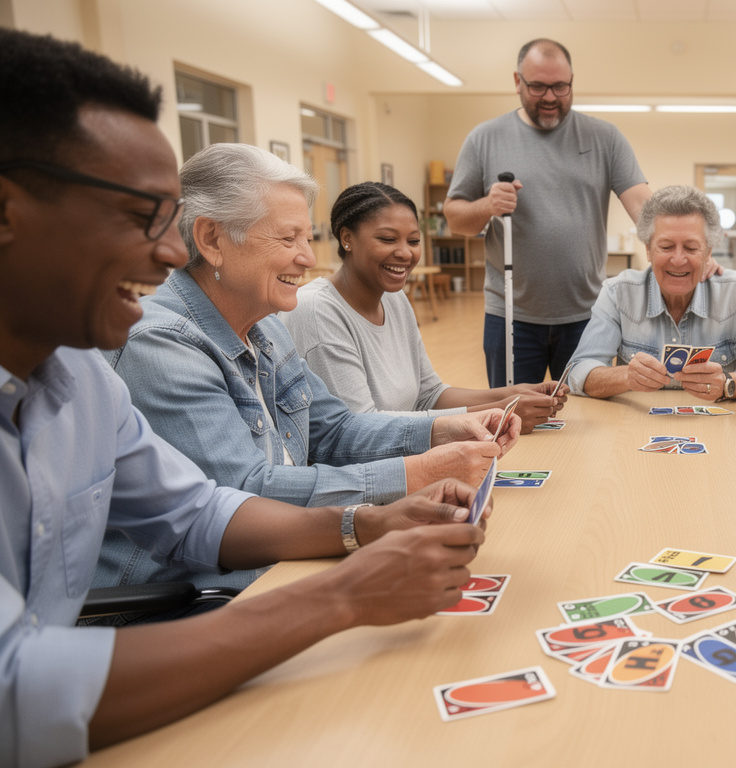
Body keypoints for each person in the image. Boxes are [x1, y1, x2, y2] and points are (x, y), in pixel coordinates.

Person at [0, 29, 493, 766]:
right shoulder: (151, 341)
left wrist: (364, 524)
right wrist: (342, 595)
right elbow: (16, 691)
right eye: (140, 218)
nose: (169, 254)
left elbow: (197, 510)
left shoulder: (82, 378)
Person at [96, 143, 520, 603]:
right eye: (287, 239)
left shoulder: (266, 327)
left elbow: (333, 430)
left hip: (283, 564)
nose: (307, 258)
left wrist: (441, 430)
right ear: (212, 240)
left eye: (307, 237)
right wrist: (414, 473)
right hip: (197, 599)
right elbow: (247, 496)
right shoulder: (160, 345)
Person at [443, 38, 652, 388]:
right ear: (517, 81)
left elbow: (643, 205)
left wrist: (688, 248)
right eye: (538, 86)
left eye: (560, 87)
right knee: (513, 413)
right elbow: (454, 218)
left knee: (590, 414)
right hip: (511, 315)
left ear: (572, 81)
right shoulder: (485, 138)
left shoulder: (604, 137)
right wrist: (487, 205)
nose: (551, 97)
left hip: (589, 314)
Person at [282, 181, 566, 433]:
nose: (406, 253)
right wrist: (495, 413)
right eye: (387, 239)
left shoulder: (393, 298)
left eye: (414, 241)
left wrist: (511, 395)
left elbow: (429, 394)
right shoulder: (317, 311)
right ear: (347, 238)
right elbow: (360, 430)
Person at [567, 185, 736, 401]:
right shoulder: (617, 294)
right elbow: (578, 371)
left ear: (708, 252)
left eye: (691, 248)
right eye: (666, 246)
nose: (678, 260)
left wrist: (727, 383)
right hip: (635, 421)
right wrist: (625, 376)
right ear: (648, 250)